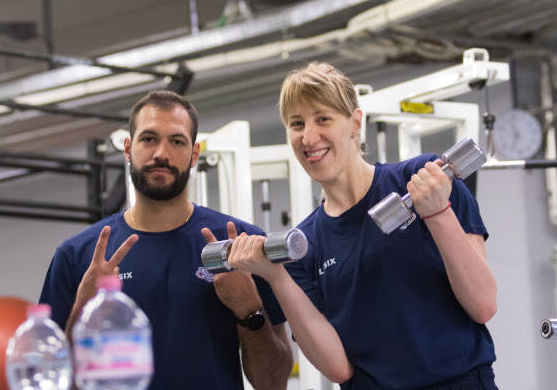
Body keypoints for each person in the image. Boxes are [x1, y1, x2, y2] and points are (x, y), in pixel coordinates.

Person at [222, 62, 498, 389]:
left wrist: (437, 212)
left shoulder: (424, 179)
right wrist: (275, 275)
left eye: (323, 118)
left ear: (355, 123)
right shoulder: (302, 245)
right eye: (297, 124)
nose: (309, 137)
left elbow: (483, 305)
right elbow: (338, 368)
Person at [39, 90, 292, 390]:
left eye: (176, 141)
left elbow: (273, 383)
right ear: (128, 149)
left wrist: (250, 311)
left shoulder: (240, 246)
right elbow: (50, 383)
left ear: (194, 154)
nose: (161, 153)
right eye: (148, 139)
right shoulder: (78, 256)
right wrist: (83, 310)